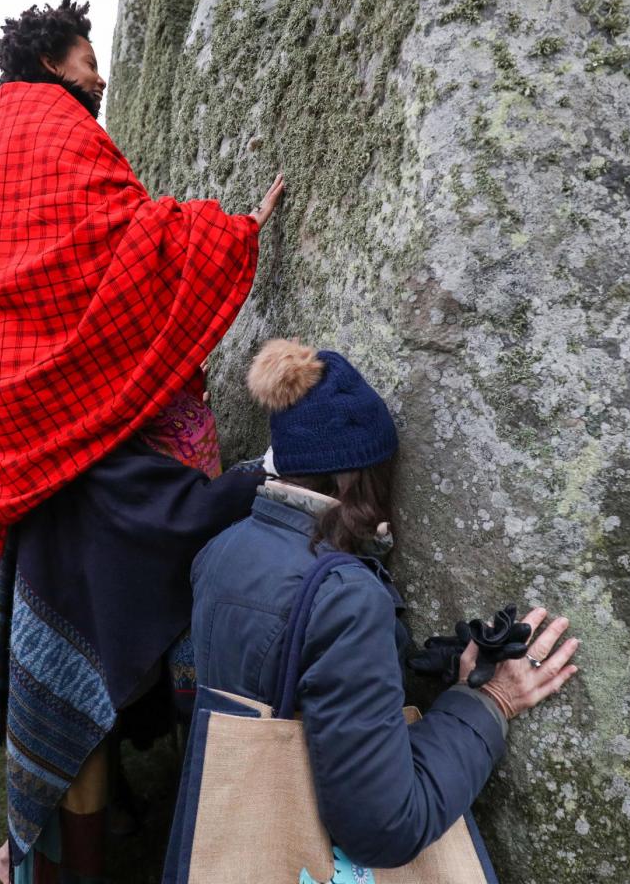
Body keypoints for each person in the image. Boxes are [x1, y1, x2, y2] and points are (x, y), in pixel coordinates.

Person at [0, 0, 286, 880]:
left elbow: (46, 272)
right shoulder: (53, 125)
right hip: (79, 467)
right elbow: (118, 247)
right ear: (54, 58)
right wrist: (229, 231)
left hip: (23, 446)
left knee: (58, 647)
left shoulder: (5, 140)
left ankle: (70, 838)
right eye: (89, 54)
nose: (101, 70)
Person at [189, 340, 581, 871]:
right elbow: (385, 828)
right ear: (358, 479)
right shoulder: (347, 601)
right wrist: (489, 701)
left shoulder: (221, 552)